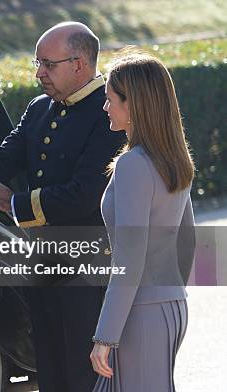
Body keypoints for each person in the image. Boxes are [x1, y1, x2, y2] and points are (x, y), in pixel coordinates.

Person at [0, 22, 125, 391]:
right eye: (36, 63)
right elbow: (5, 155)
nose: (39, 73)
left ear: (79, 63)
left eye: (47, 64)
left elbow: (83, 195)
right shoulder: (41, 107)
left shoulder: (108, 112)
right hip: (43, 261)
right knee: (49, 367)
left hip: (87, 265)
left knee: (83, 372)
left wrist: (10, 202)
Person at [90, 51, 195, 391]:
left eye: (110, 99)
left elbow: (129, 256)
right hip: (169, 307)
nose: (105, 107)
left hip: (142, 314)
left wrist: (105, 334)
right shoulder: (174, 159)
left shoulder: (134, 164)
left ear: (132, 104)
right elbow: (188, 241)